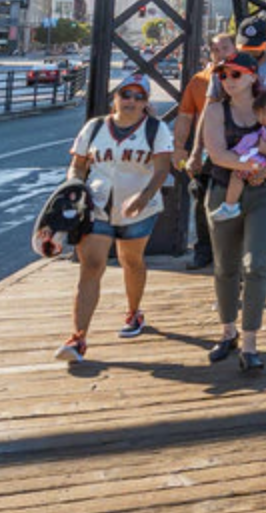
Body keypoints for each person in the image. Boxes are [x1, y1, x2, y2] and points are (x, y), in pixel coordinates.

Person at [199, 52, 266, 374]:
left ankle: (250, 342)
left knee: (257, 265)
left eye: (234, 74)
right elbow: (217, 154)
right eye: (223, 75)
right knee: (225, 266)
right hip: (225, 190)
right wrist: (252, 166)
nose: (227, 80)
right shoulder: (217, 109)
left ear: (251, 76)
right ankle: (227, 331)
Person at [56, 74, 173, 364]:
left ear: (146, 103)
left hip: (138, 207)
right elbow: (78, 165)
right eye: (126, 95)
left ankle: (134, 311)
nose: (131, 101)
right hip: (97, 205)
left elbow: (161, 170)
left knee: (131, 261)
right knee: (91, 265)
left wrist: (144, 197)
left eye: (138, 97)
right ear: (115, 98)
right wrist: (74, 187)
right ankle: (78, 337)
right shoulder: (95, 127)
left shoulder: (155, 130)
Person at [173, 33, 237, 271]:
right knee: (201, 198)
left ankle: (231, 250)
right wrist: (180, 148)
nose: (221, 54)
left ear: (235, 49)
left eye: (225, 48)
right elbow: (186, 116)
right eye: (216, 50)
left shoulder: (244, 76)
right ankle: (204, 250)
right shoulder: (199, 80)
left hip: (238, 150)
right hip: (209, 151)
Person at [211, 88, 266, 220]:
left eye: (264, 114)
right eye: (257, 115)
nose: (260, 119)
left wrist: (263, 173)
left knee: (237, 175)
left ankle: (230, 206)